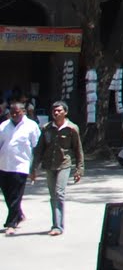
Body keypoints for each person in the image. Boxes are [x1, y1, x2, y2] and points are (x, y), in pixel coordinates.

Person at [30, 101, 83, 235]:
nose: (56, 113)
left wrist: (79, 169)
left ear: (65, 112)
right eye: (54, 110)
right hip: (49, 165)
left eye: (59, 110)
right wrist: (33, 168)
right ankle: (56, 223)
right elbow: (39, 149)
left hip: (64, 164)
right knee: (53, 195)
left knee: (59, 193)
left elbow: (78, 150)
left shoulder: (72, 129)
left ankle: (58, 226)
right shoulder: (46, 128)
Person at [0, 98, 41, 234]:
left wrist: (34, 167)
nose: (14, 115)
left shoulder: (31, 126)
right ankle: (19, 214)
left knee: (16, 194)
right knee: (7, 194)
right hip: (4, 164)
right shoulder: (3, 126)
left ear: (23, 112)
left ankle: (11, 223)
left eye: (17, 113)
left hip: (21, 165)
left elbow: (36, 146)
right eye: (12, 113)